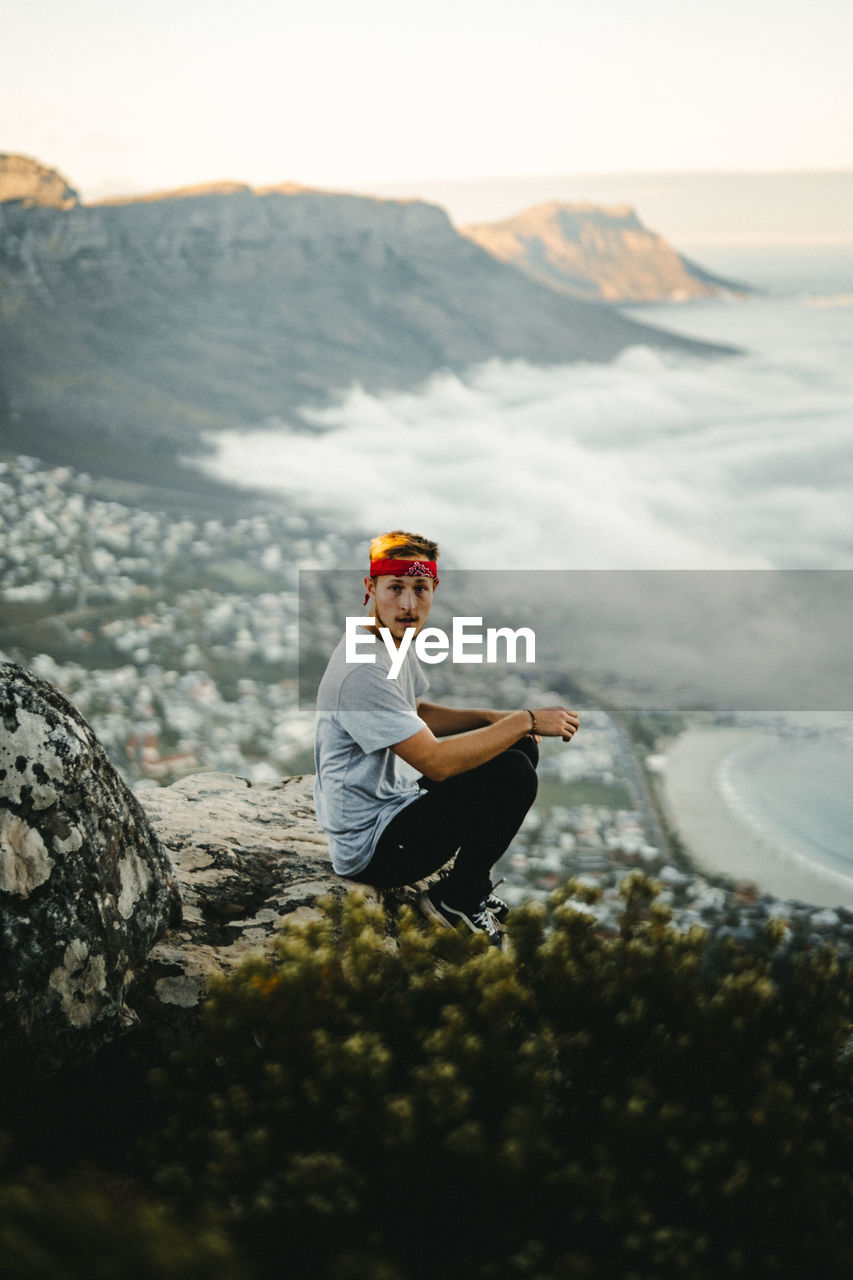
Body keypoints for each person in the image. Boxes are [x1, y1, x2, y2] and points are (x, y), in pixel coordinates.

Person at [313, 530, 580, 943]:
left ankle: (471, 883)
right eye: (395, 588)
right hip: (372, 849)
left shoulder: (387, 639)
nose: (408, 603)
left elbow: (414, 712)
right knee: (514, 770)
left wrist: (496, 719)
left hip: (395, 807)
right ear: (370, 588)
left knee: (516, 745)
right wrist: (524, 719)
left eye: (420, 588)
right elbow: (435, 763)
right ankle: (457, 898)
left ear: (434, 588)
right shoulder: (363, 667)